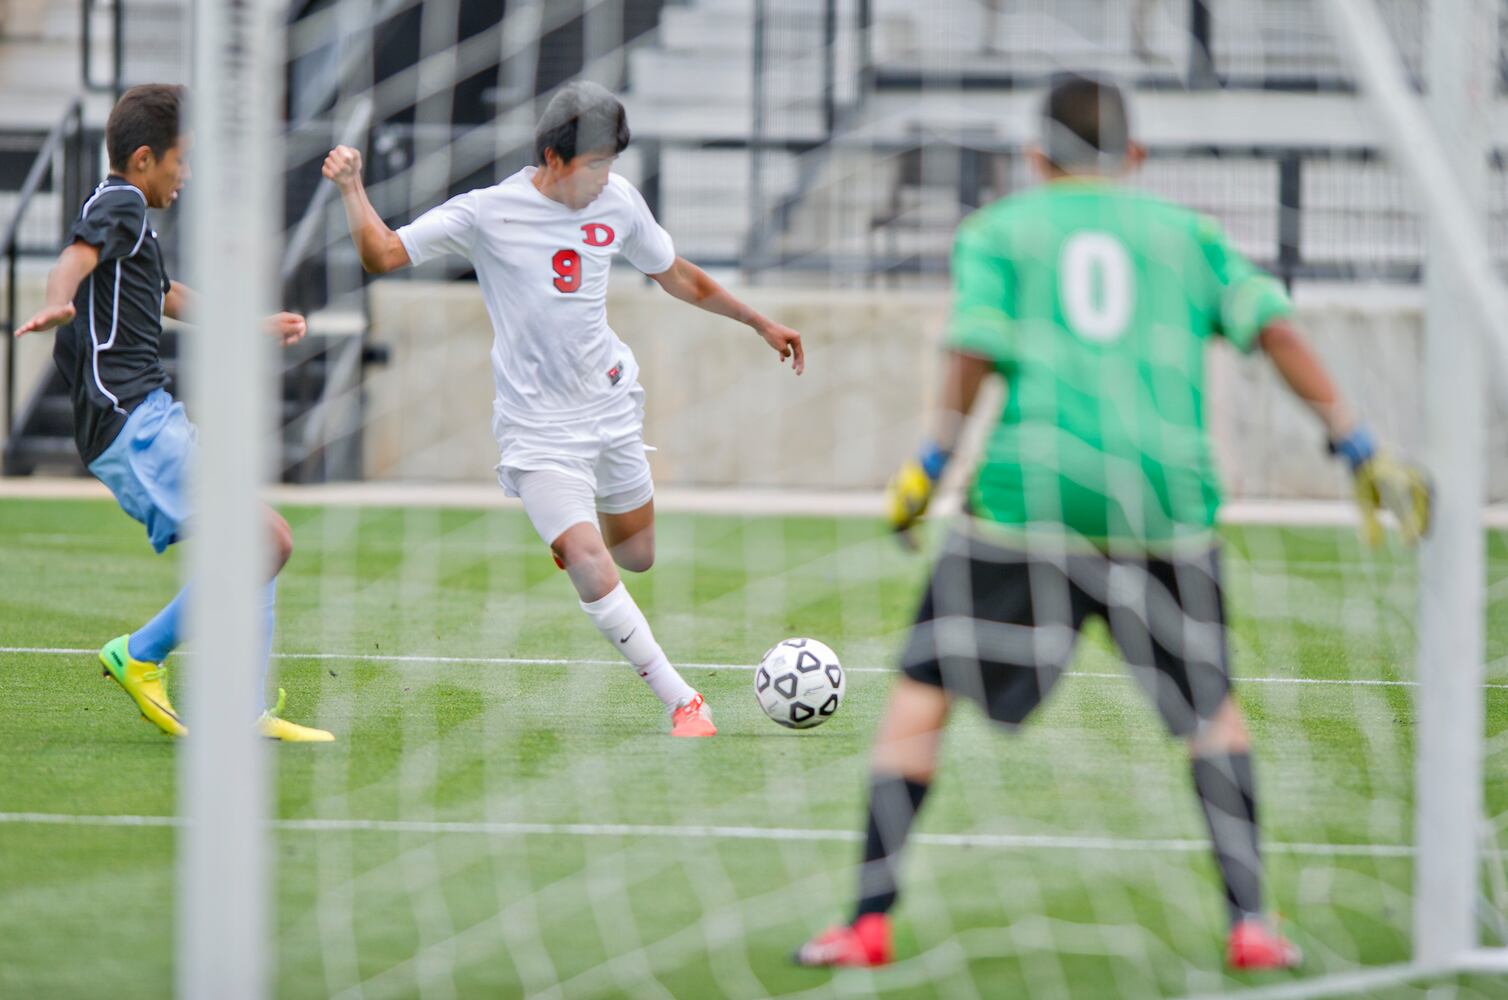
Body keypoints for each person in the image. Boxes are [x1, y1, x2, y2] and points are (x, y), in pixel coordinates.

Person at [795, 73, 1429, 970]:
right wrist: (1356, 444)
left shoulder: (999, 231)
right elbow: (1277, 329)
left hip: (1031, 495)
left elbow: (973, 348)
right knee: (1211, 712)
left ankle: (867, 922)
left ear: (1035, 157)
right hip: (1164, 501)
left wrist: (931, 465)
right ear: (1133, 155)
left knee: (923, 691)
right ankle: (1252, 923)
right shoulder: (1188, 235)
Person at [322, 81, 805, 737]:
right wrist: (352, 188)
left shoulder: (619, 201)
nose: (606, 178)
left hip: (611, 405)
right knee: (587, 556)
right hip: (537, 430)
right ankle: (683, 700)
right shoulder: (488, 212)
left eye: (611, 164)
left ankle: (576, 536)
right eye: (596, 165)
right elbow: (381, 253)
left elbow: (676, 274)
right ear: (553, 158)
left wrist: (758, 321)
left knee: (637, 556)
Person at [16, 83, 332, 742]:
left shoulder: (130, 216)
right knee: (266, 542)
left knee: (254, 541)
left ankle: (243, 711)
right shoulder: (121, 203)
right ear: (143, 160)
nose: (186, 174)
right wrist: (56, 301)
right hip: (130, 421)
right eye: (182, 160)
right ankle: (139, 654)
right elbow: (73, 258)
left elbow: (166, 294)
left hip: (151, 413)